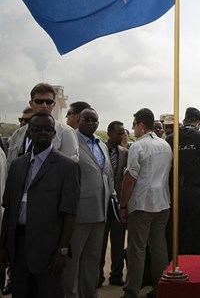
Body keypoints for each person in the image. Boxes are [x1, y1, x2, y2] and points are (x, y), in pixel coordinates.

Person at [0, 112, 80, 298]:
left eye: (47, 129)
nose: (43, 132)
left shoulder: (68, 167)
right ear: (29, 133)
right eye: (37, 129)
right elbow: (9, 208)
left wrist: (62, 251)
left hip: (48, 249)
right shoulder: (17, 165)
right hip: (18, 247)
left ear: (54, 133)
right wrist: (3, 246)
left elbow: (70, 213)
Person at [119, 108, 172, 298]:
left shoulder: (138, 146)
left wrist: (123, 204)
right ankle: (160, 288)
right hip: (162, 203)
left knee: (137, 249)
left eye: (134, 124)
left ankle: (132, 291)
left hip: (141, 204)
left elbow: (130, 178)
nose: (133, 128)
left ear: (141, 125)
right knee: (159, 248)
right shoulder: (165, 145)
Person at [62, 108, 113, 298]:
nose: (90, 123)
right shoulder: (71, 140)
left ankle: (89, 293)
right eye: (86, 119)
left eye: (94, 120)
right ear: (78, 120)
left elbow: (107, 175)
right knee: (72, 261)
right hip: (78, 213)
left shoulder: (101, 144)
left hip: (100, 213)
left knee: (92, 259)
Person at [166, 107, 200, 254]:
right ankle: (199, 263)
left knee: (178, 231)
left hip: (176, 192)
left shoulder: (171, 138)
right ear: (198, 122)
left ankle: (178, 261)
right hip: (198, 192)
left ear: (184, 120)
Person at [7, 83, 78, 167]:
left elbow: (70, 167)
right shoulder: (18, 134)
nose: (44, 106)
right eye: (39, 102)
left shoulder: (65, 133)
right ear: (31, 104)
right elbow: (10, 166)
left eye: (49, 102)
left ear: (54, 104)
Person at [99, 121, 128, 287]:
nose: (122, 136)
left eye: (123, 133)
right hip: (101, 202)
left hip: (118, 204)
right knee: (100, 242)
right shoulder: (99, 149)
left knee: (118, 242)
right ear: (109, 133)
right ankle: (97, 275)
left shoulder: (125, 153)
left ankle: (116, 275)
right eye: (119, 133)